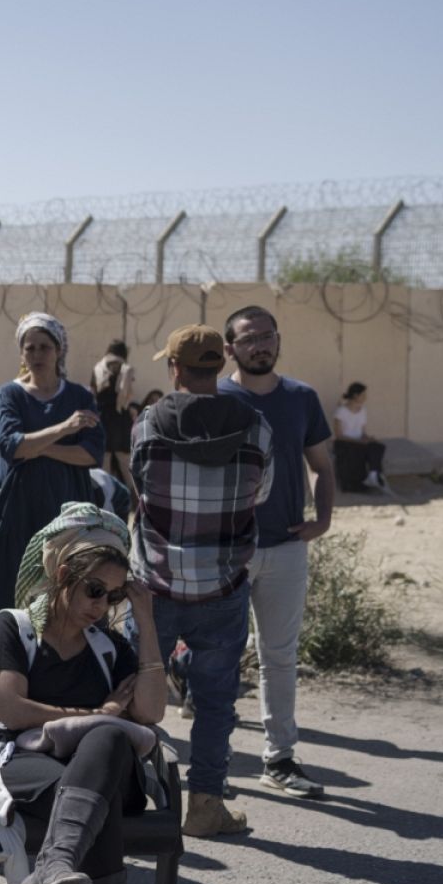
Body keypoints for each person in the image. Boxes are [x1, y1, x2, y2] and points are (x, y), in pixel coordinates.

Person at [0, 502, 165, 884]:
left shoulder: (108, 646)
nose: (102, 605)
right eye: (93, 590)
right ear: (62, 574)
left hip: (94, 772)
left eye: (114, 595)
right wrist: (95, 712)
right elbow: (12, 709)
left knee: (107, 741)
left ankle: (56, 864)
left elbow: (149, 711)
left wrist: (145, 621)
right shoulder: (12, 628)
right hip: (24, 765)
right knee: (99, 768)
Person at [129, 324, 271, 837]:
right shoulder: (256, 427)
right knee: (214, 704)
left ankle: (121, 796)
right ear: (221, 364)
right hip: (223, 588)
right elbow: (260, 494)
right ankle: (205, 805)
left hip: (155, 590)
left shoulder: (147, 425)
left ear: (174, 369)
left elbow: (140, 488)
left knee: (131, 696)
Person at [220, 306, 335, 799]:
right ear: (230, 349)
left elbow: (323, 467)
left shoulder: (301, 398)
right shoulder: (217, 398)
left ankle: (280, 758)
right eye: (250, 339)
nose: (261, 345)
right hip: (228, 549)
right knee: (219, 655)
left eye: (267, 336)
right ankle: (215, 761)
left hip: (287, 545)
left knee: (279, 657)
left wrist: (323, 519)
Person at [0, 312, 105, 648]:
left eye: (44, 347)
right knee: (4, 584)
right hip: (14, 510)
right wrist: (65, 430)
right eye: (29, 348)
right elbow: (11, 447)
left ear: (58, 351)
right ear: (21, 353)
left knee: (63, 586)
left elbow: (91, 453)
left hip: (65, 511)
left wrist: (37, 446)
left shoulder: (79, 396)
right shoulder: (10, 395)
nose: (36, 355)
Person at [92, 340, 137, 498]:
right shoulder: (126, 368)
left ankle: (105, 497)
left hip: (102, 417)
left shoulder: (98, 368)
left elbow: (93, 393)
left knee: (105, 461)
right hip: (120, 418)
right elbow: (128, 395)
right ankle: (136, 498)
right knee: (126, 461)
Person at [333, 382, 388, 492]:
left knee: (378, 447)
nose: (365, 397)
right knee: (355, 451)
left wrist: (368, 438)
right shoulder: (341, 412)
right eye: (363, 395)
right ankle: (357, 483)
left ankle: (373, 475)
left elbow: (362, 432)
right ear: (355, 395)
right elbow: (339, 435)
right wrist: (358, 441)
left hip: (359, 441)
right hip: (345, 442)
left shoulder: (363, 410)